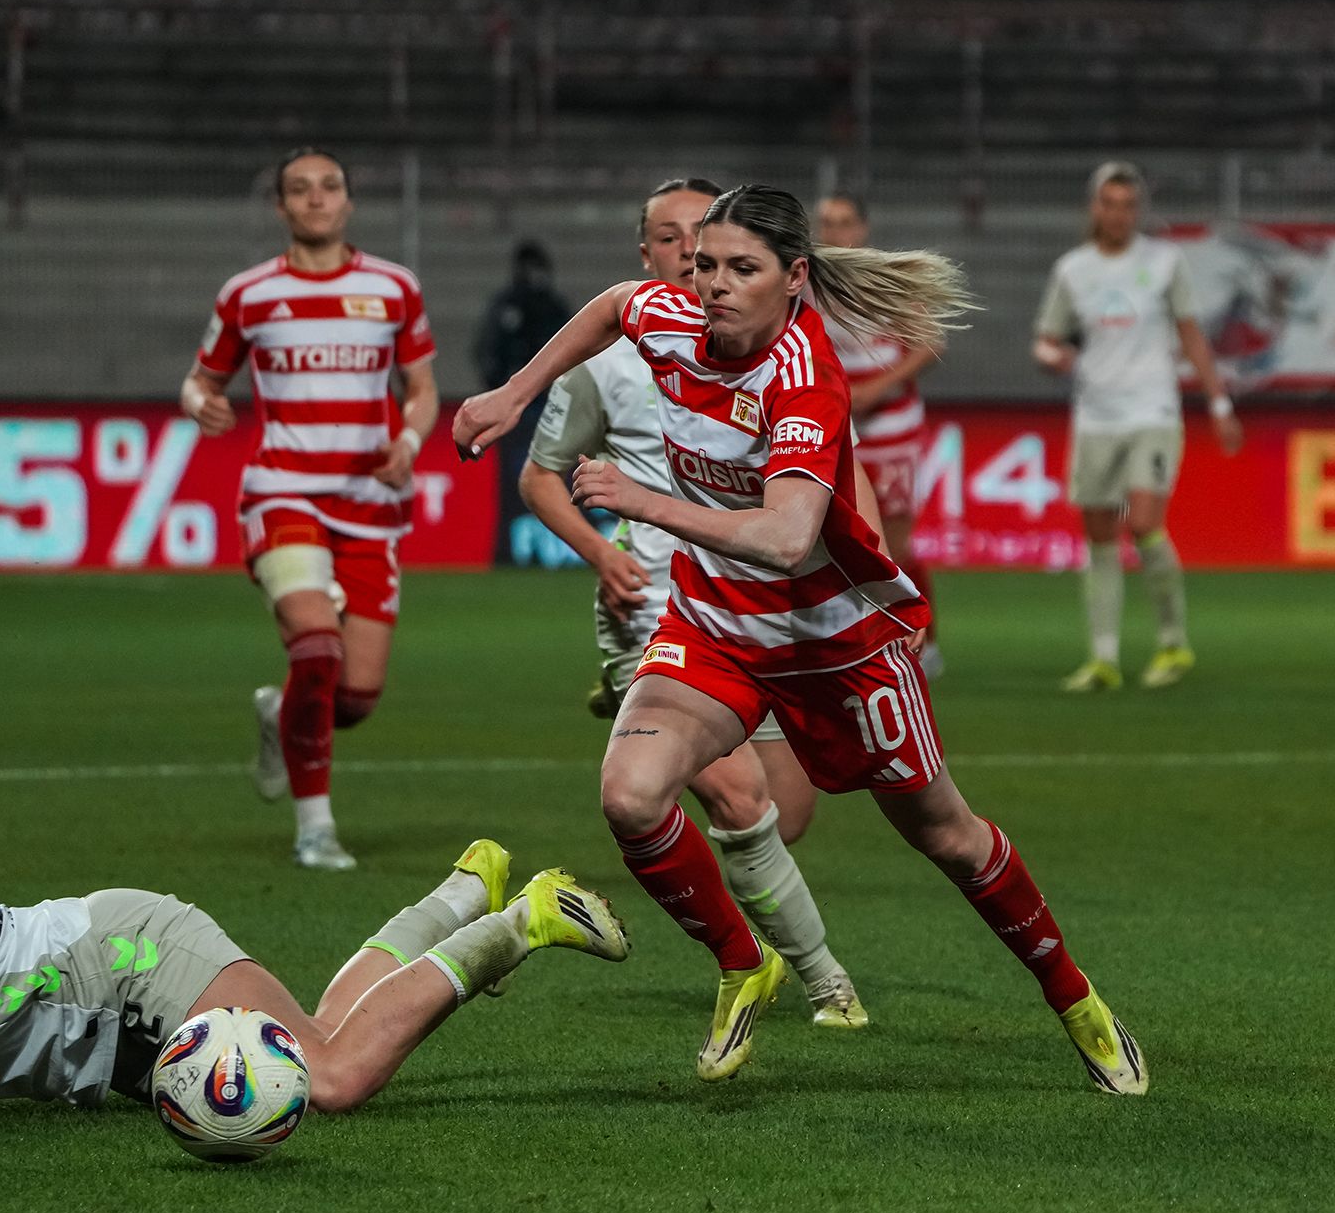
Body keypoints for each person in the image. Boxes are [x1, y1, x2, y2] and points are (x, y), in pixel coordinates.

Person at [454, 185, 1146, 1095]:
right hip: (714, 625)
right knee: (630, 794)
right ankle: (746, 961)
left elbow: (786, 538)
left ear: (793, 279)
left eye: (742, 269)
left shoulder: (803, 373)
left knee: (947, 835)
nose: (714, 285)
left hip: (835, 643)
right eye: (705, 264)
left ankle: (1076, 999)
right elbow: (617, 305)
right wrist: (513, 391)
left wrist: (644, 500)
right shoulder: (672, 316)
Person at [518, 177, 866, 1028]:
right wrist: (603, 552)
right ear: (649, 254)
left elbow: (828, 496)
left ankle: (794, 966)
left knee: (784, 812)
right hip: (656, 601)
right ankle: (807, 978)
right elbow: (540, 477)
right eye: (673, 241)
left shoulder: (788, 357)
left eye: (704, 242)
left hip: (764, 609)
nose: (691, 258)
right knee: (729, 798)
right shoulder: (607, 360)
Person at [0, 839, 628, 1121]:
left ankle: (523, 919)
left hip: (125, 965)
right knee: (323, 1029)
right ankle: (463, 892)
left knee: (332, 1077)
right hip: (96, 963)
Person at [180, 147, 441, 870]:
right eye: (300, 189)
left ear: (348, 201)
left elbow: (422, 388)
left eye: (329, 187)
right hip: (283, 493)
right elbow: (201, 379)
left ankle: (280, 710)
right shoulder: (248, 294)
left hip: (370, 504)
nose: (316, 198)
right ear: (281, 206)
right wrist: (200, 403)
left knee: (352, 698)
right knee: (317, 647)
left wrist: (410, 440)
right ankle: (316, 830)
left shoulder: (394, 287)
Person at [1034, 160, 1243, 693]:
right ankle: (1103, 658)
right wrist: (1052, 356)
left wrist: (1219, 403)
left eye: (1129, 205)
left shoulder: (1164, 262)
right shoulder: (1073, 270)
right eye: (1110, 204)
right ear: (1094, 208)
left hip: (1152, 411)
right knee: (1099, 534)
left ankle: (1173, 642)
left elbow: (1191, 335)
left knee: (1143, 521)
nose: (1119, 214)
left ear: (1139, 210)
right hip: (1095, 417)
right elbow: (1047, 339)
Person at [814, 193, 944, 678]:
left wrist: (877, 387)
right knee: (835, 538)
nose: (835, 232)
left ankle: (924, 639)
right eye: (827, 222)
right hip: (834, 426)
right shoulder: (806, 282)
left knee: (895, 540)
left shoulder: (885, 278)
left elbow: (930, 342)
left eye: (844, 222)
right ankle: (854, 643)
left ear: (863, 228)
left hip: (890, 426)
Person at [473, 240, 574, 564]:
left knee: (551, 474)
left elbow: (574, 355)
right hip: (518, 412)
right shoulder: (507, 306)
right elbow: (487, 351)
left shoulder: (554, 308)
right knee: (517, 480)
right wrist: (500, 392)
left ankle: (556, 545)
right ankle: (515, 547)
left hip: (549, 407)